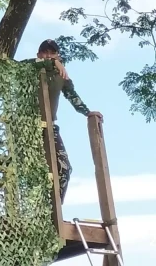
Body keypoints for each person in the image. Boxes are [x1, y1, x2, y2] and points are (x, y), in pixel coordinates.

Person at [29, 39, 102, 204]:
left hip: (49, 127)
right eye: (45, 52)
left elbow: (72, 96)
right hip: (26, 125)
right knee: (33, 170)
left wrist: (88, 112)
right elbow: (21, 64)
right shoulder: (29, 68)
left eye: (52, 53)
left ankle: (53, 211)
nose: (48, 55)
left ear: (58, 55)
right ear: (38, 54)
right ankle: (34, 210)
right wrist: (53, 62)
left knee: (64, 169)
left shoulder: (61, 76)